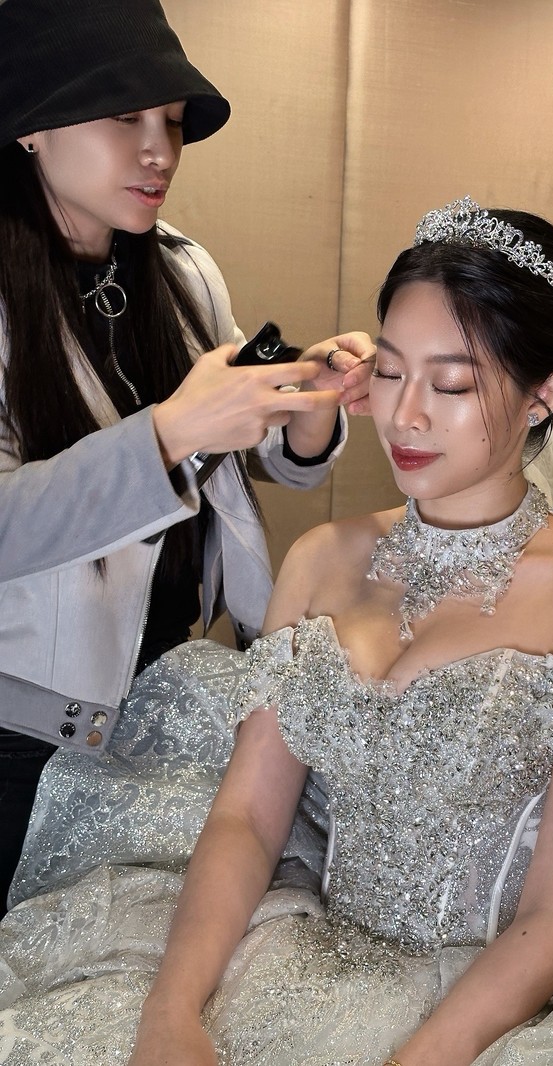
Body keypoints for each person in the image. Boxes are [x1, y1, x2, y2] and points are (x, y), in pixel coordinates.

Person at [0, 198, 553, 1064]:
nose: (406, 415)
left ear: (543, 396)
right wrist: (172, 1011)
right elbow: (246, 821)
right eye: (388, 371)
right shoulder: (321, 558)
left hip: (487, 1001)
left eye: (451, 384)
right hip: (296, 952)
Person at [0, 0, 374, 910]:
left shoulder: (180, 269)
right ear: (31, 126)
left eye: (170, 121)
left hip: (175, 689)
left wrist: (306, 409)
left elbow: (245, 462)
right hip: (29, 734)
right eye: (125, 116)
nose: (159, 150)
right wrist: (170, 431)